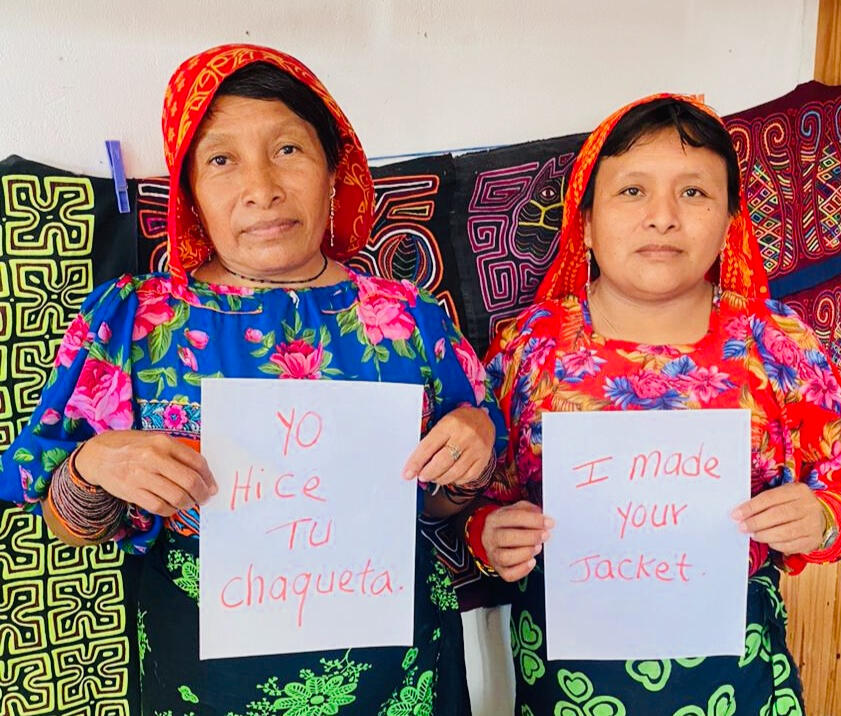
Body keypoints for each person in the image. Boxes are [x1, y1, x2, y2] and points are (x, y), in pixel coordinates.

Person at [0, 44, 504, 715]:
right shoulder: (136, 320)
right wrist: (92, 466)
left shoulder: (408, 319)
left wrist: (469, 456)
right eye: (221, 159)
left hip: (401, 676)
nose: (261, 186)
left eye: (289, 150)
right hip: (209, 685)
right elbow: (67, 522)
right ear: (191, 191)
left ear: (334, 171)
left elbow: (442, 505)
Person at [463, 94, 841, 714]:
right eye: (632, 191)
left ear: (729, 221)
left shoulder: (774, 342)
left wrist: (826, 519)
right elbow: (476, 499)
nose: (662, 217)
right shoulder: (532, 349)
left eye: (694, 193)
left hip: (737, 681)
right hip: (570, 686)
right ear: (583, 221)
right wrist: (490, 534)